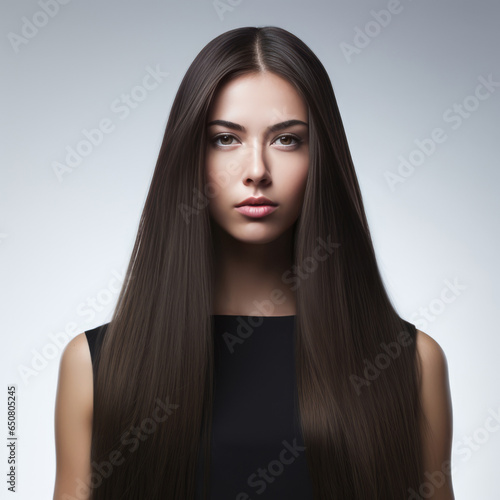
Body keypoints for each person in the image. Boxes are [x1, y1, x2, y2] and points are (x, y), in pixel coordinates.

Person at [53, 26, 454, 499]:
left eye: (287, 140)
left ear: (319, 157)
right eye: (226, 139)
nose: (257, 170)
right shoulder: (96, 368)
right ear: (189, 156)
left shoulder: (411, 364)